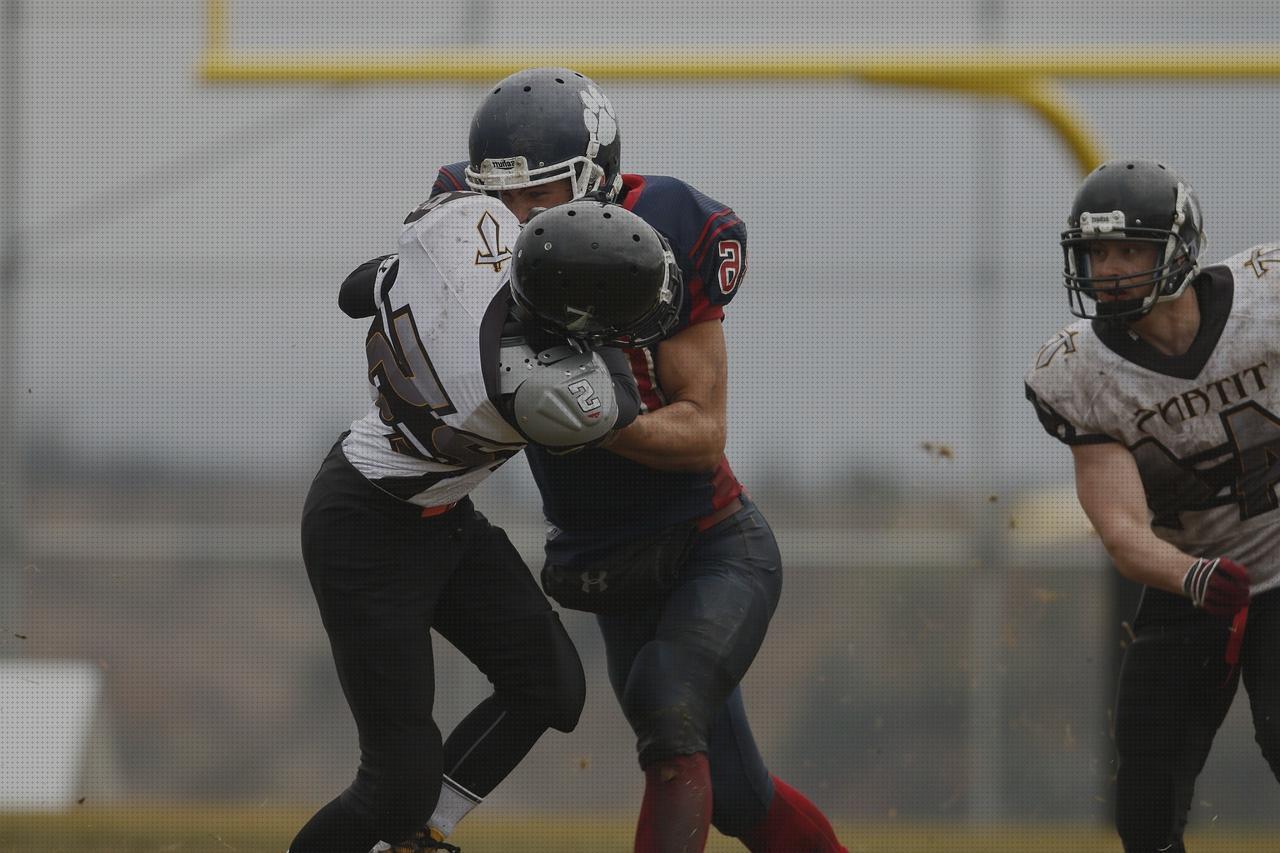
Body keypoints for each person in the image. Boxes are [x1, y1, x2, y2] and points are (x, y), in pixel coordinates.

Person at [425, 67, 848, 853]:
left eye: (538, 198)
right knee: (741, 798)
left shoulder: (667, 231)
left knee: (667, 707)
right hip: (609, 565)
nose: (514, 220)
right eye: (502, 198)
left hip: (710, 546)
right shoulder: (468, 222)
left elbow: (704, 431)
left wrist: (596, 420)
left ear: (594, 183)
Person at [290, 191, 681, 852]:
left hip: (436, 513)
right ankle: (404, 825)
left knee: (550, 686)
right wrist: (602, 326)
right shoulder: (528, 387)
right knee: (394, 786)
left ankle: (414, 838)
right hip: (367, 531)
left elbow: (360, 287)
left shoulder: (475, 231)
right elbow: (612, 402)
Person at [1025, 159, 1280, 852]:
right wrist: (1193, 577)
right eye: (1097, 251)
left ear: (1179, 247)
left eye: (1129, 248)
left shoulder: (1268, 297)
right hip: (1193, 579)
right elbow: (1122, 530)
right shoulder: (1080, 373)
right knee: (1144, 792)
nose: (1108, 268)